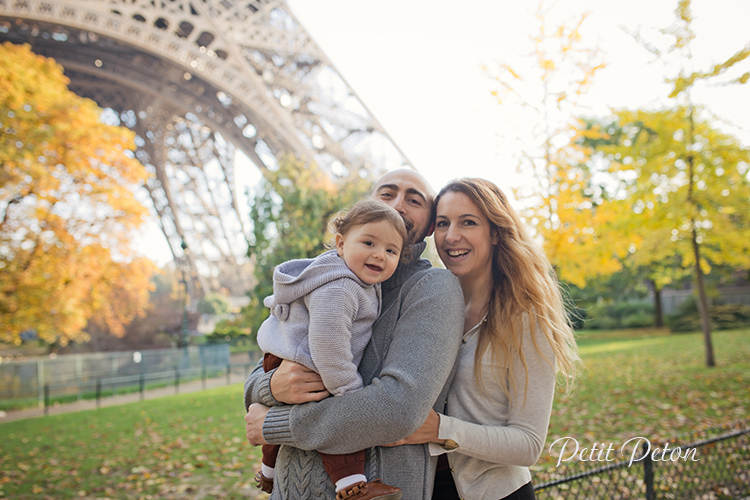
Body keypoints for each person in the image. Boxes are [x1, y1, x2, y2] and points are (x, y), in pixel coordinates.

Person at [244, 169, 465, 500]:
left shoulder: (433, 289)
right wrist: (271, 385)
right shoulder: (326, 276)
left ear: (431, 225)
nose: (399, 204)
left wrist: (274, 424)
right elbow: (263, 371)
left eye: (414, 199)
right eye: (386, 194)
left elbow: (395, 409)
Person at [387, 178, 580, 500]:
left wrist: (441, 430)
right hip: (420, 488)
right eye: (443, 223)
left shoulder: (527, 317)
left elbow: (529, 444)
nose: (451, 237)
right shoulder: (427, 308)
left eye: (468, 223)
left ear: (495, 232)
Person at [254, 198, 408, 499]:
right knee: (337, 420)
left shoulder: (355, 280)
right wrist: (349, 391)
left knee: (285, 416)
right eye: (368, 242)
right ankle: (350, 484)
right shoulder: (340, 288)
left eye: (391, 250)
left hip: (291, 355)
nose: (380, 254)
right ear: (340, 244)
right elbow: (328, 345)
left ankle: (268, 472)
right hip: (307, 359)